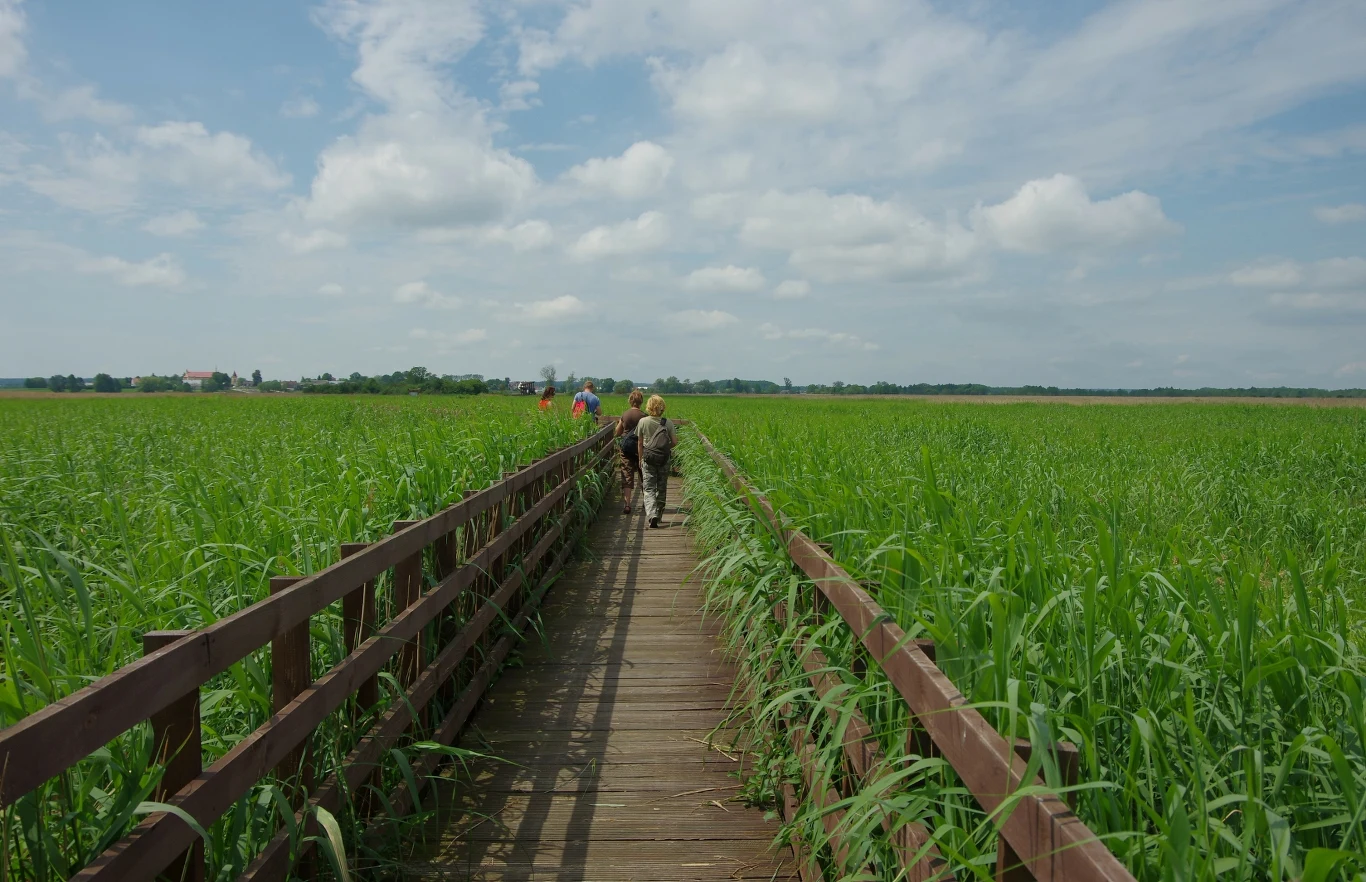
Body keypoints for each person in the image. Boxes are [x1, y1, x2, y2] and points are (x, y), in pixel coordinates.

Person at [635, 394, 676, 528]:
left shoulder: (643, 422)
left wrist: (640, 459)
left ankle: (651, 514)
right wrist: (664, 449)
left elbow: (640, 443)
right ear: (662, 407)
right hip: (664, 459)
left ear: (649, 407)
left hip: (648, 458)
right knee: (662, 488)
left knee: (649, 488)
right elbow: (675, 442)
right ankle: (658, 516)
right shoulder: (668, 422)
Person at [614, 389, 646, 514]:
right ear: (641, 402)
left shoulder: (625, 414)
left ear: (630, 401)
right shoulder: (644, 416)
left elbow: (618, 432)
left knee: (627, 475)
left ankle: (627, 504)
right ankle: (645, 502)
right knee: (643, 475)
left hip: (626, 449)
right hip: (640, 449)